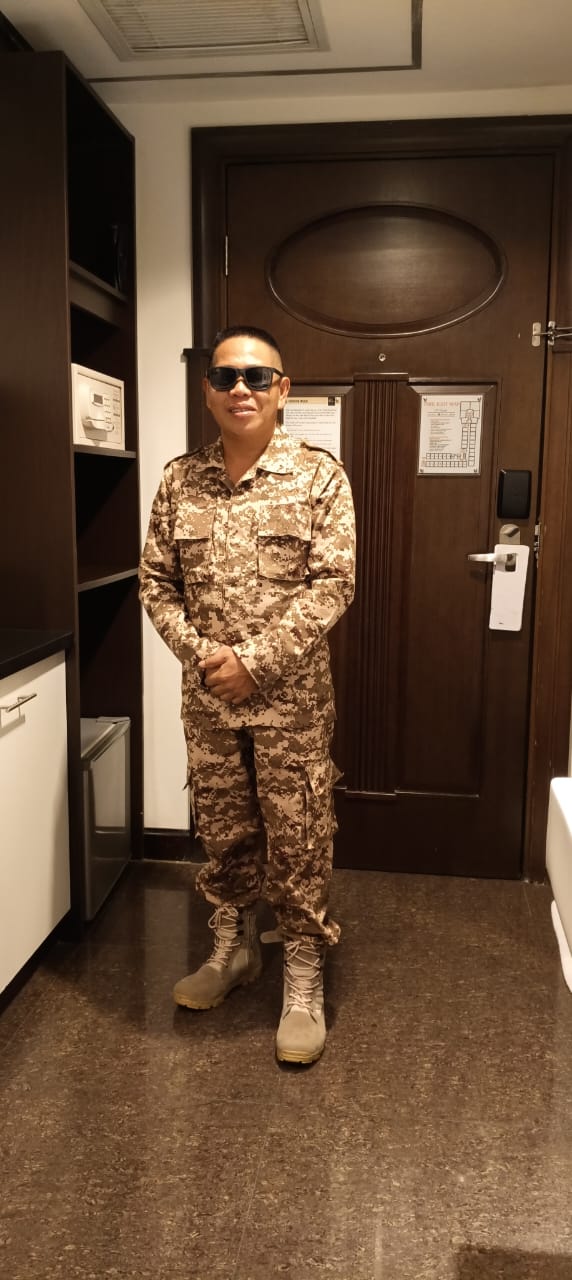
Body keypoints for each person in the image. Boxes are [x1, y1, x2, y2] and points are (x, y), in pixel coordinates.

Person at [139, 325, 356, 1064]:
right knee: (224, 827)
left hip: (292, 703)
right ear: (207, 391)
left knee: (299, 835)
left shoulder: (319, 477)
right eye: (226, 376)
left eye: (257, 377)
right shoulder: (179, 481)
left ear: (282, 390)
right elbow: (156, 583)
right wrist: (205, 659)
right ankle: (233, 947)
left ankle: (302, 972)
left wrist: (255, 663)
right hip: (209, 701)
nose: (241, 388)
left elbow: (334, 584)